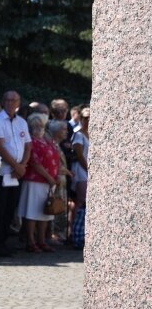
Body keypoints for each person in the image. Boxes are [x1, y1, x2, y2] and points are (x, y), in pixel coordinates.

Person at [0, 90, 31, 256]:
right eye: (8, 100)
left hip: (17, 173)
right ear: (3, 101)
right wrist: (16, 165)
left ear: (19, 103)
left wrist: (23, 165)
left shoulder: (22, 122)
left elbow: (28, 145)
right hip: (2, 172)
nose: (11, 103)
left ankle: (4, 241)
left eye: (14, 100)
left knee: (10, 209)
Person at [16, 113, 59, 252]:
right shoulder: (31, 142)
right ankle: (31, 241)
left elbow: (56, 159)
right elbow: (35, 163)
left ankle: (42, 240)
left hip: (48, 182)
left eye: (40, 126)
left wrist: (57, 174)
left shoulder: (47, 140)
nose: (38, 129)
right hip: (35, 181)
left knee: (45, 213)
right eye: (35, 126)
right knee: (32, 212)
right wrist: (49, 177)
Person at [70, 106, 90, 250]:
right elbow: (79, 154)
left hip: (89, 171)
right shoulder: (78, 134)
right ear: (81, 119)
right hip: (82, 171)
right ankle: (74, 233)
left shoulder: (91, 133)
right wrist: (89, 169)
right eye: (86, 118)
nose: (88, 120)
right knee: (80, 201)